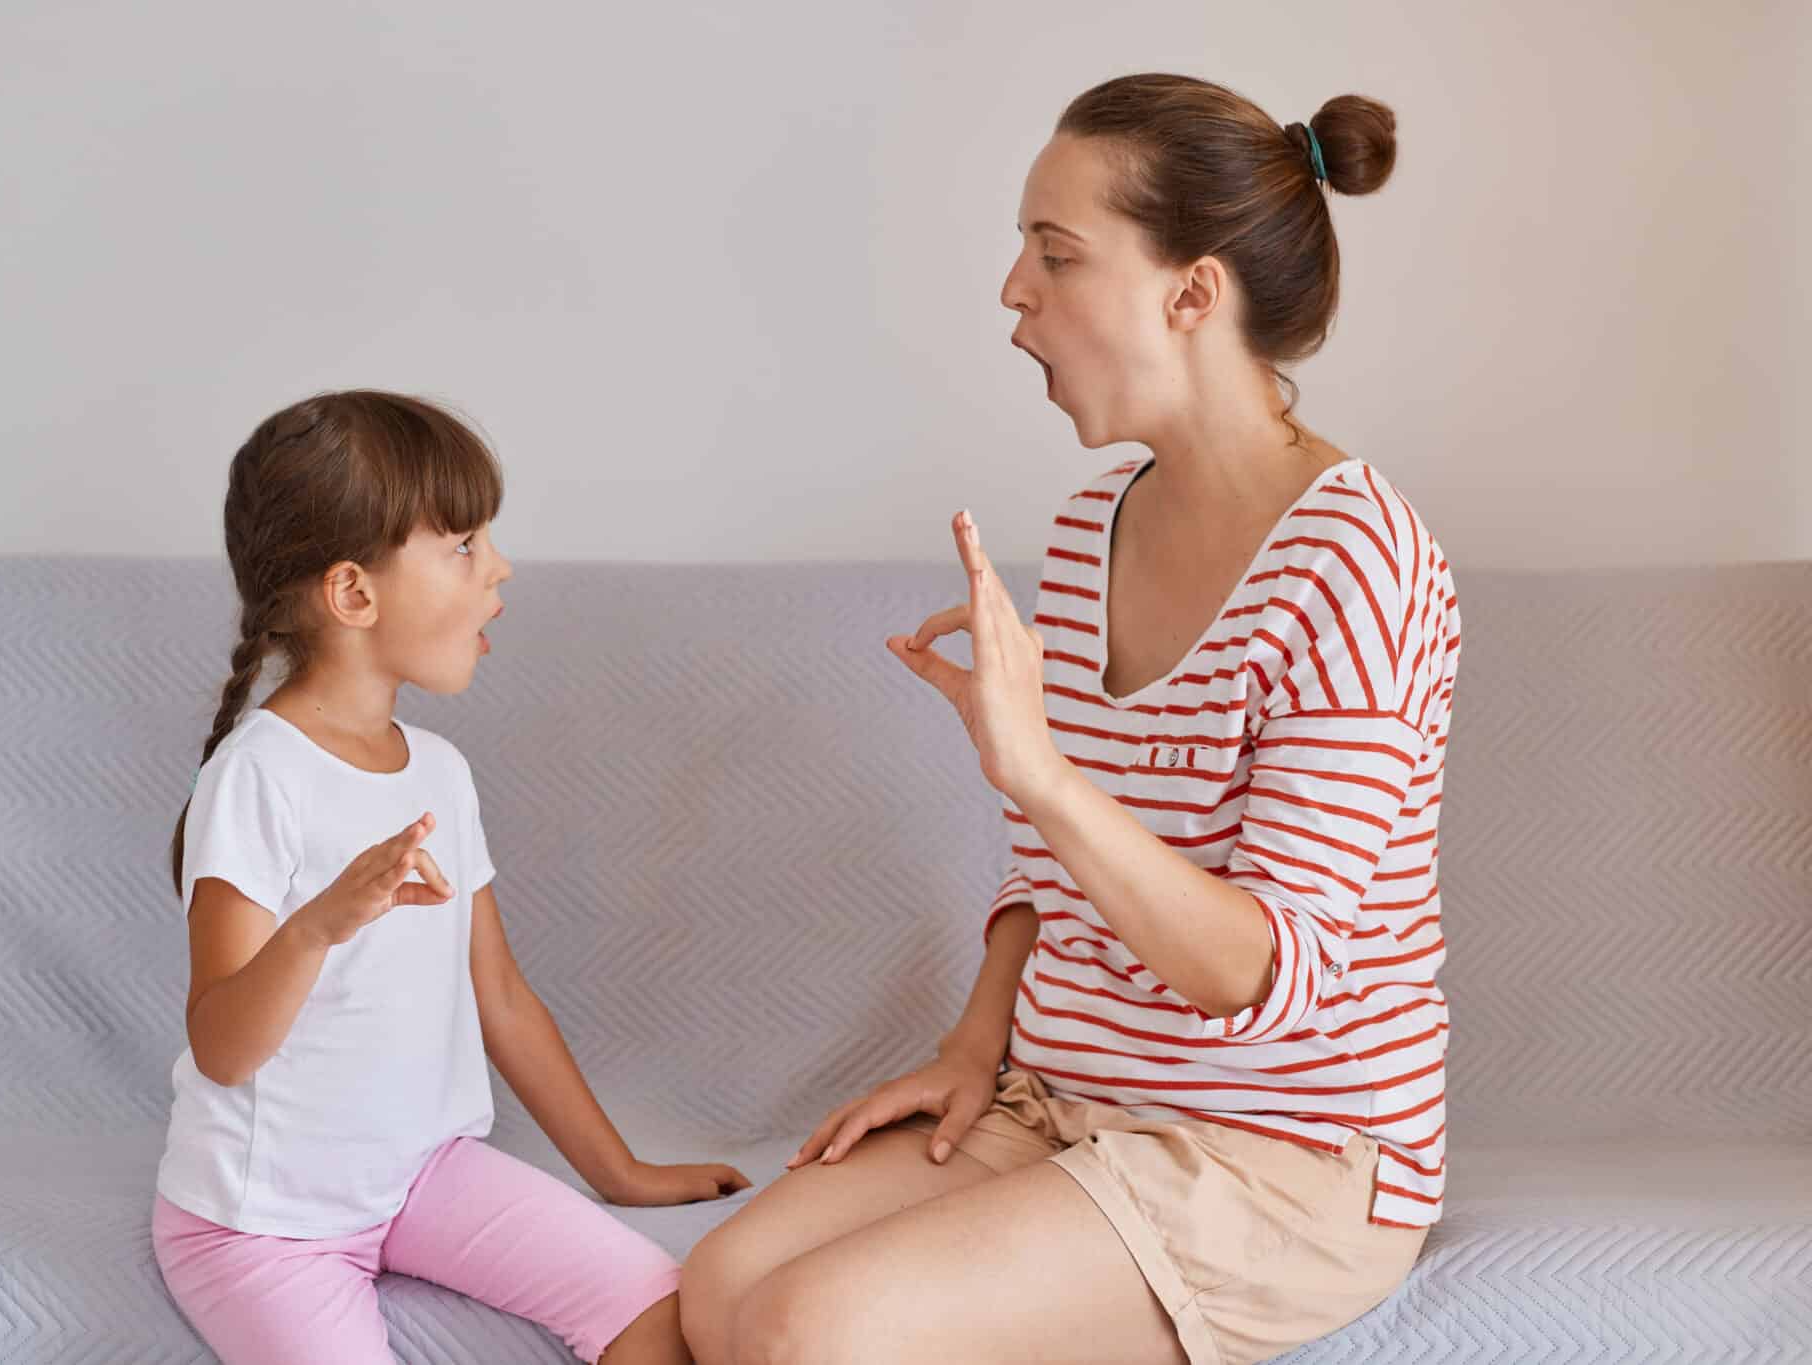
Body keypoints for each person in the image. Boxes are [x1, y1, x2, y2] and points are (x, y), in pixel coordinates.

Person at [682, 74, 1460, 1365]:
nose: (1012, 292)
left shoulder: (1358, 558)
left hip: (1281, 1152)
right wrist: (973, 1041)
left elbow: (1257, 971)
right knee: (720, 1290)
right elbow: (1056, 866)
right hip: (1066, 1102)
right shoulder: (1095, 522)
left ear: (1191, 292)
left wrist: (1037, 768)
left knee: (802, 1333)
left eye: (1056, 254)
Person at [150, 389, 750, 1364]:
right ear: (353, 594)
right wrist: (316, 926)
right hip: (261, 1225)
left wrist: (621, 1172)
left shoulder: (439, 771)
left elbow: (501, 996)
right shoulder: (257, 775)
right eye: (464, 544)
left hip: (425, 1177)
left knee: (659, 1305)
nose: (498, 567)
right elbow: (220, 1047)